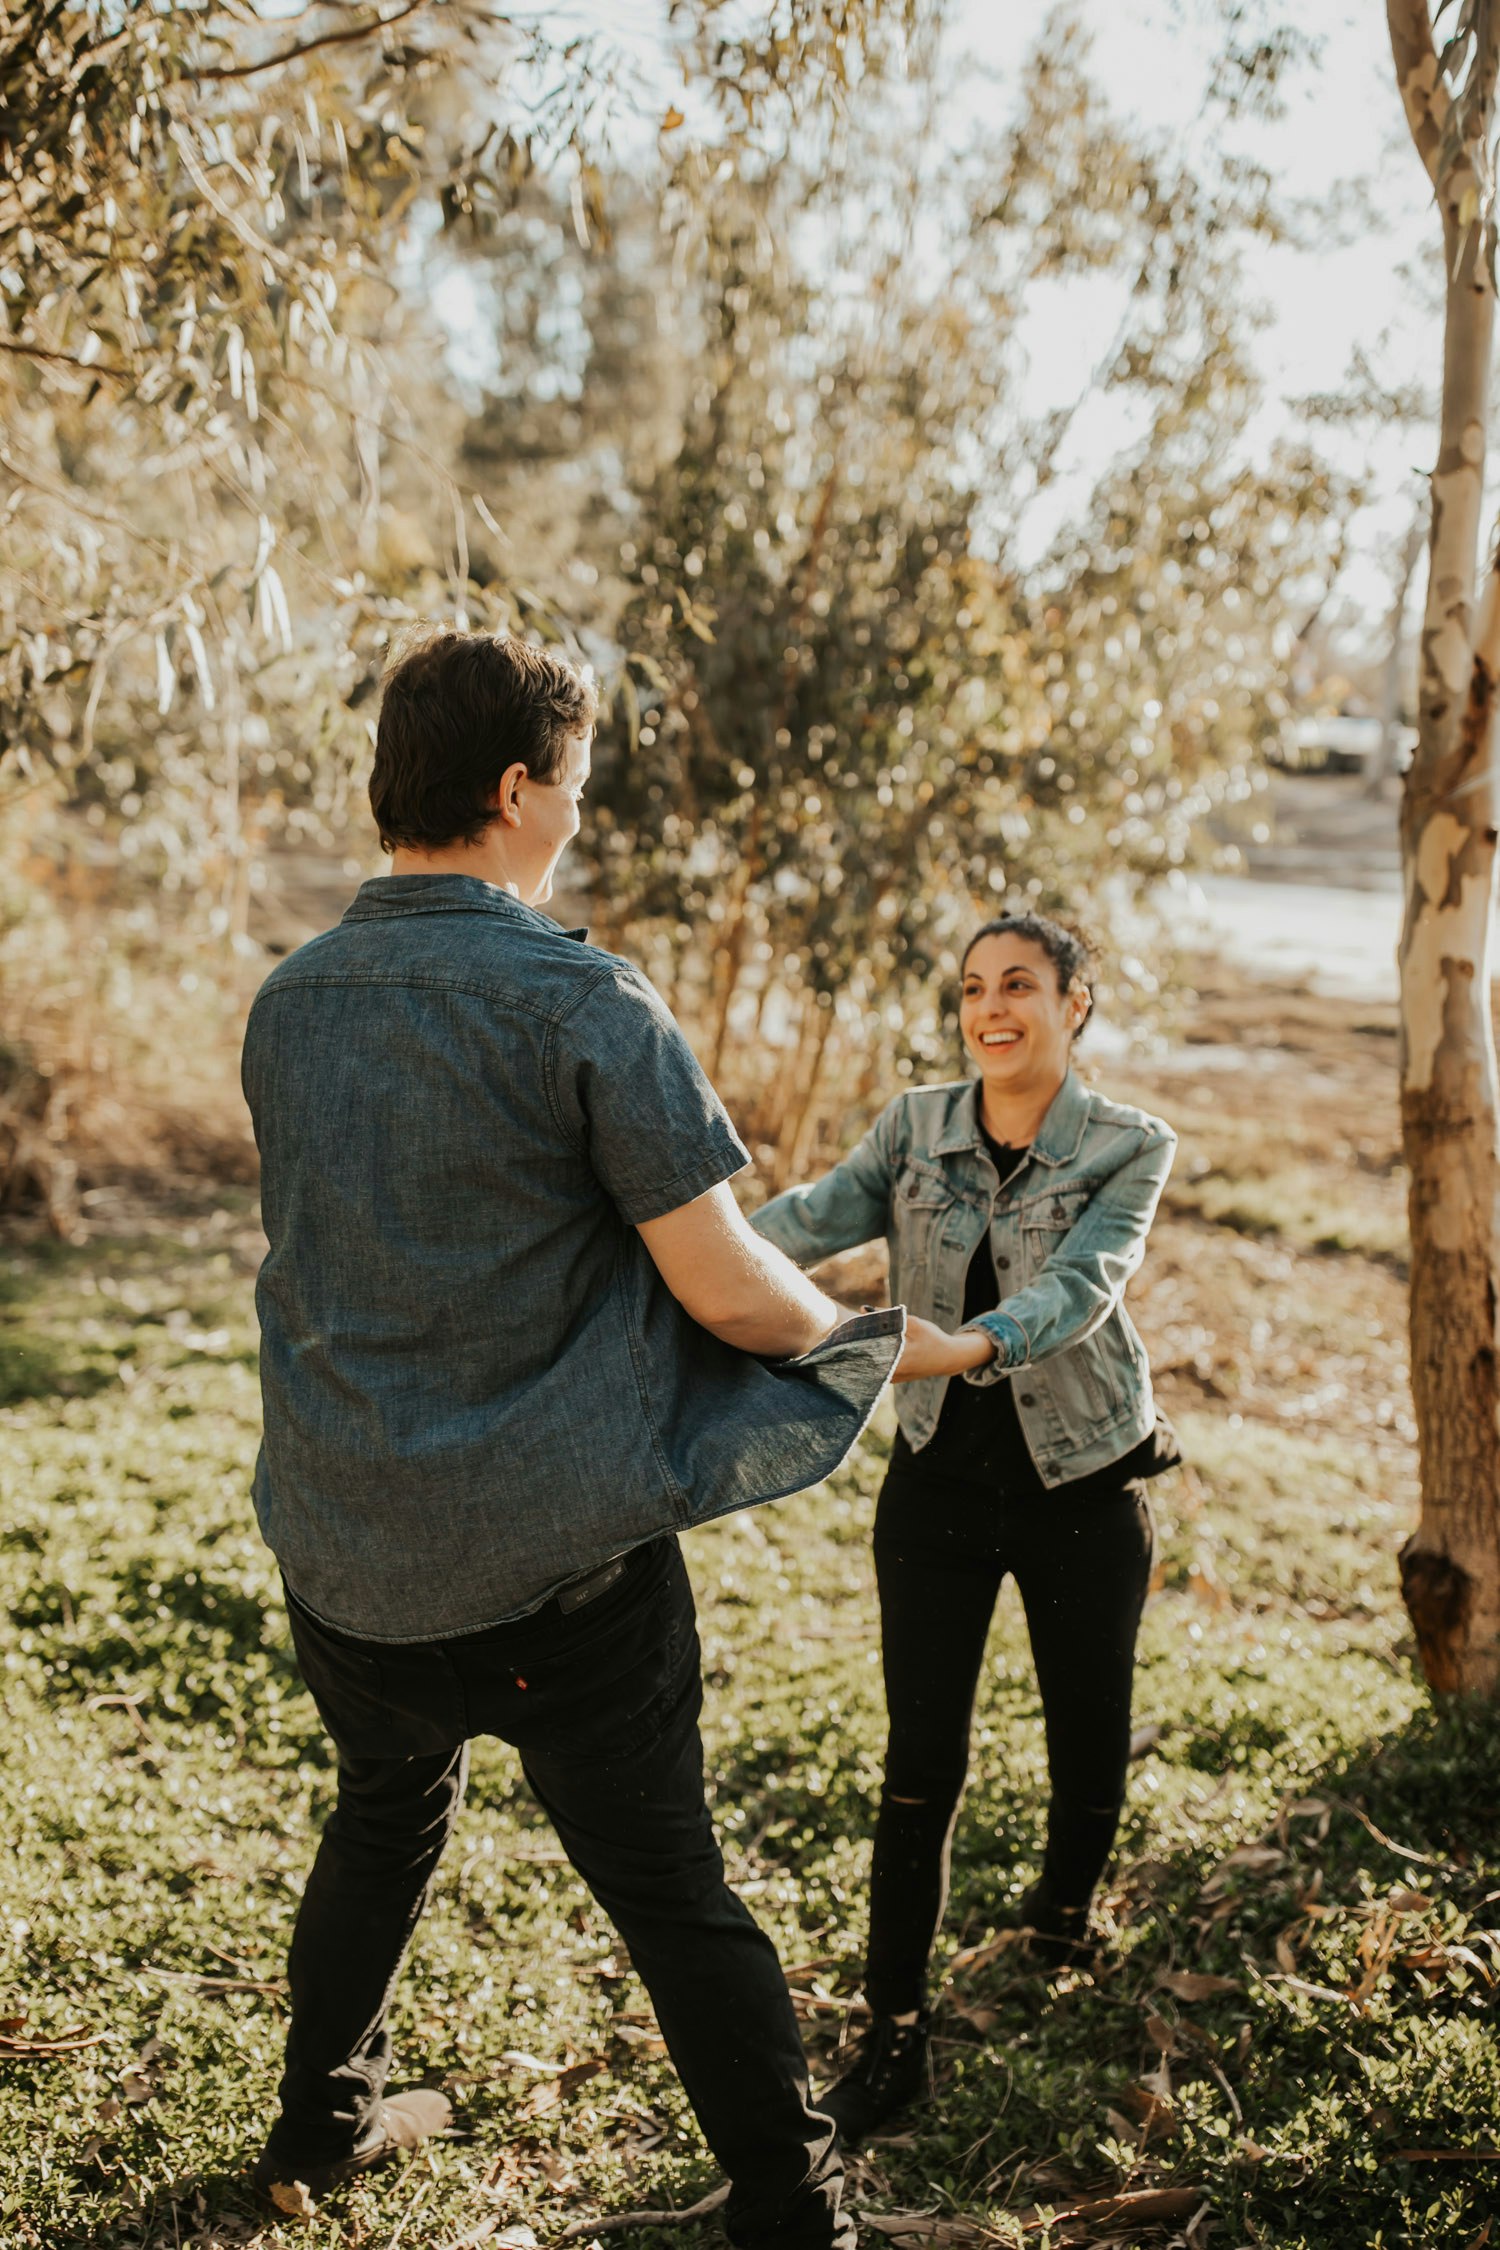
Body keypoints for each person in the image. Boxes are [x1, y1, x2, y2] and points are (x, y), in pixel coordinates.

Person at [240, 626, 958, 2247]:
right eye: (571, 786)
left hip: (345, 1556)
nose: (575, 814)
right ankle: (793, 2207)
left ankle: (318, 2122)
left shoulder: (289, 1005)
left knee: (382, 1813)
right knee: (671, 1888)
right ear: (514, 791)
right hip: (552, 1577)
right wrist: (870, 1340)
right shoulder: (578, 999)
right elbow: (726, 1292)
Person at [752, 912, 1179, 2145]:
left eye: (1022, 987)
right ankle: (893, 2038)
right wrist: (677, 1248)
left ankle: (1063, 1912)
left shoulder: (1129, 1146)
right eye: (973, 990)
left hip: (1087, 1480)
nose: (993, 1009)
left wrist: (971, 1342)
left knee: (1086, 1729)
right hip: (938, 1479)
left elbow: (1086, 1286)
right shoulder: (915, 1128)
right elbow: (809, 1218)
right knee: (918, 1767)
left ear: (1076, 1004)